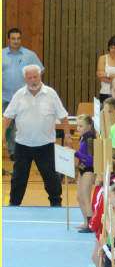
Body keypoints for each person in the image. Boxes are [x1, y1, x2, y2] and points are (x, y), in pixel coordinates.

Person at [3, 64, 69, 207]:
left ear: (40, 76)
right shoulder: (19, 95)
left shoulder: (51, 94)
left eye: (35, 77)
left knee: (51, 177)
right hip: (22, 145)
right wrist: (2, 135)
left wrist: (68, 136)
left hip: (45, 145)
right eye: (29, 78)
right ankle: (14, 205)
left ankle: (56, 204)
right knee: (18, 179)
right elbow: (7, 117)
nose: (33, 80)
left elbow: (63, 116)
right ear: (25, 79)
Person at [3, 28, 44, 160]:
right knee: (5, 125)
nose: (16, 41)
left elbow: (40, 71)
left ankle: (15, 152)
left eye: (18, 38)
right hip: (4, 97)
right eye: (13, 39)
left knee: (20, 126)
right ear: (8, 40)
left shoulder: (29, 55)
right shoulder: (2, 54)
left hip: (23, 98)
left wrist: (32, 85)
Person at [74, 114, 97, 231]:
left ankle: (90, 223)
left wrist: (75, 153)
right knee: (79, 197)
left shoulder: (90, 139)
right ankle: (85, 221)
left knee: (86, 197)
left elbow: (91, 159)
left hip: (89, 169)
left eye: (81, 126)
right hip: (82, 169)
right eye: (77, 126)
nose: (78, 128)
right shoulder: (83, 137)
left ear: (89, 126)